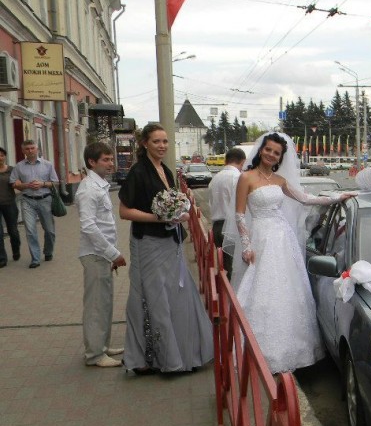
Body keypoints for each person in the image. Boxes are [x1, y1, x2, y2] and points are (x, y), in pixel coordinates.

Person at [225, 132, 353, 374]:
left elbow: (305, 199)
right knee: (263, 288)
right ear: (261, 150)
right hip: (261, 237)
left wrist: (337, 197)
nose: (271, 154)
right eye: (268, 149)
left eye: (276, 152)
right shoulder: (246, 178)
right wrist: (247, 246)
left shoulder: (280, 180)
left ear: (280, 157)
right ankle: (260, 350)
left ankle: (293, 350)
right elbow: (240, 214)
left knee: (289, 289)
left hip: (284, 239)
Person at [118, 124, 213, 374]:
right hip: (147, 243)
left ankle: (185, 353)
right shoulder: (138, 172)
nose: (162, 146)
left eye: (165, 141)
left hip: (170, 243)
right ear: (144, 144)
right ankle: (153, 359)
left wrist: (178, 213)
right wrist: (158, 218)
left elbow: (172, 204)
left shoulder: (167, 170)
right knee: (154, 299)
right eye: (156, 141)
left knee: (177, 296)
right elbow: (124, 211)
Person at [75, 142, 127, 368]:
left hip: (102, 255)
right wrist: (112, 253)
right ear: (91, 162)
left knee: (104, 303)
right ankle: (95, 355)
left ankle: (102, 346)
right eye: (105, 160)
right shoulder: (88, 189)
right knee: (96, 304)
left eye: (110, 159)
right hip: (96, 255)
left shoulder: (100, 185)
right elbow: (88, 226)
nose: (110, 163)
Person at [10, 140, 59, 268]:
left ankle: (48, 251)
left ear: (37, 150)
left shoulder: (47, 165)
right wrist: (26, 185)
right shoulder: (19, 166)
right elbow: (14, 183)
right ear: (23, 151)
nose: (30, 151)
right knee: (30, 230)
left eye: (32, 148)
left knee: (49, 230)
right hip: (27, 200)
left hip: (45, 199)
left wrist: (42, 184)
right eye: (27, 149)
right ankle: (35, 259)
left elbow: (55, 182)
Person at [208, 147, 246, 279]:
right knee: (235, 269)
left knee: (225, 266)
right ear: (242, 162)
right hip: (232, 228)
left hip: (217, 226)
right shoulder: (238, 178)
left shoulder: (215, 178)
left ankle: (226, 296)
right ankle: (232, 298)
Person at [0, 147, 21, 267]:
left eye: (2, 155)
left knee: (12, 230)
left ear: (5, 157)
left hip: (9, 203)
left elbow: (17, 183)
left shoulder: (11, 170)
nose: (0, 158)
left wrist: (17, 184)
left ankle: (16, 250)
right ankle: (2, 258)